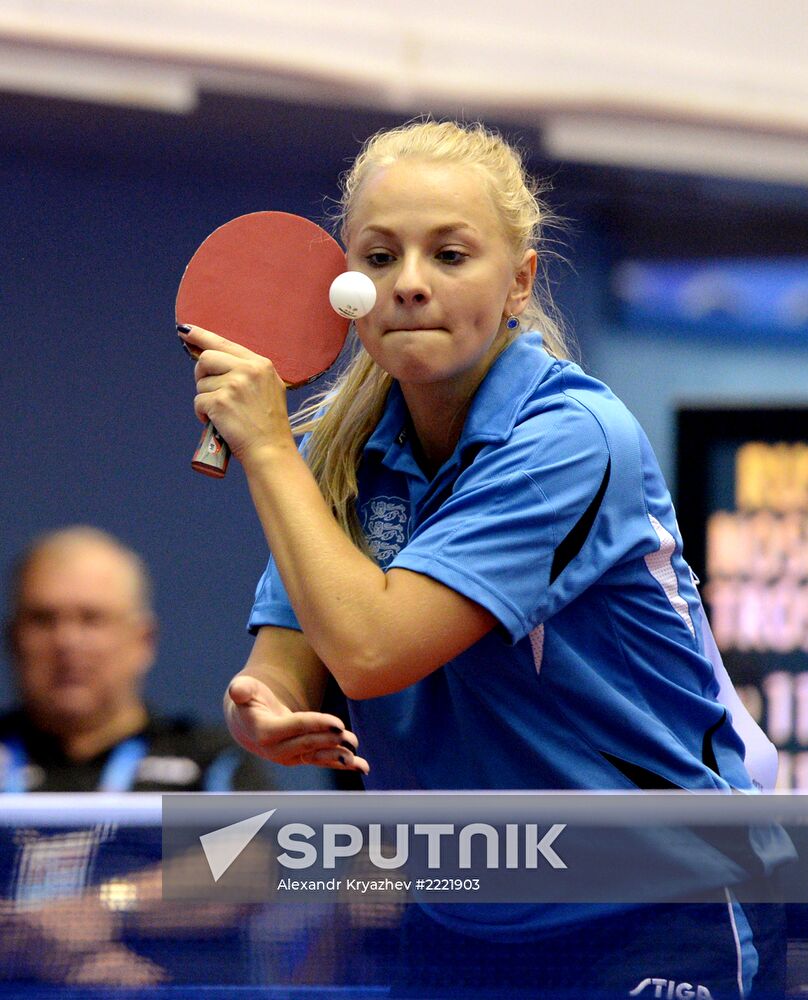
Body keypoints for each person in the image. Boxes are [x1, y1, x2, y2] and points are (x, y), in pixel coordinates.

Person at [179, 120, 791, 998]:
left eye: (451, 255)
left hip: (657, 901)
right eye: (381, 258)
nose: (412, 285)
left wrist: (269, 450)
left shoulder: (572, 440)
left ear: (520, 280)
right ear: (345, 285)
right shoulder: (343, 453)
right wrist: (260, 711)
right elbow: (288, 664)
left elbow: (370, 649)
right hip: (461, 905)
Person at [1, 525, 268, 792]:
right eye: (43, 620)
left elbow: (257, 836)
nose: (67, 641)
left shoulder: (213, 764)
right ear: (13, 639)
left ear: (143, 642)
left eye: (92, 619)